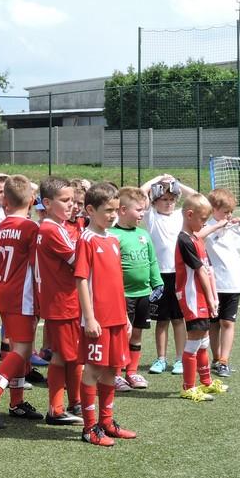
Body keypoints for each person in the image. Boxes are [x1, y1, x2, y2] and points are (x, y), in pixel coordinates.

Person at [0, 175, 43, 429]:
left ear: (6, 202)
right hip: (21, 295)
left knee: (16, 347)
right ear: (32, 200)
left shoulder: (2, 226)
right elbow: (37, 266)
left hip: (4, 292)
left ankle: (17, 402)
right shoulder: (31, 228)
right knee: (22, 350)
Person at [74, 182, 137, 448]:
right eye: (108, 210)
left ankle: (107, 422)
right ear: (90, 210)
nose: (113, 215)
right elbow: (81, 279)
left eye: (116, 210)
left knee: (112, 368)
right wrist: (89, 318)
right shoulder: (86, 240)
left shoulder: (112, 239)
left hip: (117, 318)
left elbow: (116, 282)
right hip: (97, 320)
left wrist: (125, 316)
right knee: (94, 369)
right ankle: (89, 428)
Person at [34, 177, 85, 426]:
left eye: (73, 200)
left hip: (63, 301)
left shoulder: (56, 227)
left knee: (69, 354)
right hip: (63, 302)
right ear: (47, 203)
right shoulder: (51, 229)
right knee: (66, 356)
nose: (71, 205)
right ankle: (57, 409)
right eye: (65, 200)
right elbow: (78, 261)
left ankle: (74, 403)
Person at [199, 188, 240, 378]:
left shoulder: (236, 228)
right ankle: (216, 358)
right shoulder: (207, 226)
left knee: (228, 322)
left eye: (231, 212)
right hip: (212, 284)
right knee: (213, 324)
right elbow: (197, 238)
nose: (229, 215)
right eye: (225, 212)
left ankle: (224, 361)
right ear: (213, 210)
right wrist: (217, 226)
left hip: (233, 283)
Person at [140, 173, 197, 376]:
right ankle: (161, 359)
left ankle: (180, 359)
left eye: (172, 199)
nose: (168, 203)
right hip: (158, 276)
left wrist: (176, 183)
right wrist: (157, 180)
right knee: (162, 320)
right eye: (164, 199)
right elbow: (141, 192)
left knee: (178, 319)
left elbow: (196, 196)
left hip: (179, 274)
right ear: (155, 201)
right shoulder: (151, 216)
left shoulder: (181, 215)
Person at [174, 194, 230, 402]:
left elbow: (206, 268)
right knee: (194, 340)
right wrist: (211, 298)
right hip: (193, 298)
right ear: (190, 215)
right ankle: (188, 387)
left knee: (204, 340)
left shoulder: (195, 237)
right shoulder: (184, 240)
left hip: (201, 297)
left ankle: (206, 382)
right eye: (203, 220)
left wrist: (219, 224)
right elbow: (200, 272)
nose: (205, 224)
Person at [109, 186, 163, 391]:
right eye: (139, 210)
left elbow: (152, 261)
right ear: (123, 210)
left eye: (144, 210)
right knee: (122, 335)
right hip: (123, 295)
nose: (142, 214)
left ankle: (131, 372)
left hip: (144, 294)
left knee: (137, 333)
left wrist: (157, 282)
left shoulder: (143, 235)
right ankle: (115, 374)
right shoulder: (112, 235)